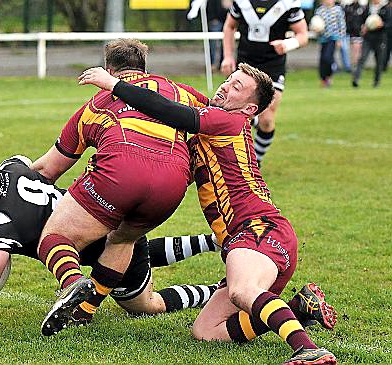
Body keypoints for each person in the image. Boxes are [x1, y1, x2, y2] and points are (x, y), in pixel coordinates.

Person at [78, 63, 337, 365]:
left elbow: (169, 109)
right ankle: (299, 307)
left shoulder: (229, 121)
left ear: (250, 108)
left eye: (237, 87)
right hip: (253, 239)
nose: (226, 86)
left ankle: (307, 349)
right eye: (228, 80)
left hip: (258, 230)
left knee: (242, 291)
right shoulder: (212, 128)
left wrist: (114, 84)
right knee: (206, 331)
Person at [30, 38, 209, 336]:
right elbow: (217, 118)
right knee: (123, 239)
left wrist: (13, 177)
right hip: (172, 183)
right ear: (144, 67)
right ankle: (85, 311)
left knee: (55, 237)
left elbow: (49, 168)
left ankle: (73, 283)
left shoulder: (95, 104)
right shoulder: (179, 91)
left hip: (120, 175)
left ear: (109, 70)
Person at [0, 155, 221, 318]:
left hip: (113, 251)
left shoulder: (4, 223)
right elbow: (27, 162)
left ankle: (214, 291)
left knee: (144, 305)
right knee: (140, 249)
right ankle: (212, 241)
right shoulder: (11, 169)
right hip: (108, 222)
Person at [220, 0, 308, 166]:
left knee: (266, 119)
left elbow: (303, 35)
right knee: (234, 109)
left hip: (272, 66)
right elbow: (230, 26)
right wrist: (228, 56)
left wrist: (288, 43)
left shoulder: (288, 4)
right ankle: (243, 161)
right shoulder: (242, 2)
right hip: (246, 65)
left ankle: (255, 163)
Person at [352, 0, 389, 88]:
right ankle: (356, 79)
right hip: (368, 38)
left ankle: (377, 81)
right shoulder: (366, 8)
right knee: (362, 58)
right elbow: (359, 20)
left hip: (380, 38)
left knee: (379, 61)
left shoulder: (386, 9)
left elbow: (389, 23)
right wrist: (362, 27)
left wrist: (382, 24)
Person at [314, 0, 347, 87]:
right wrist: (316, 30)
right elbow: (315, 23)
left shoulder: (338, 10)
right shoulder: (319, 11)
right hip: (323, 38)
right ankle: (323, 79)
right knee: (322, 60)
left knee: (328, 58)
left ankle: (329, 76)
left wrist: (340, 39)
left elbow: (342, 25)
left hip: (333, 38)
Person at [344, 0, 367, 71]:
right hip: (349, 33)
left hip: (358, 33)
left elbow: (364, 19)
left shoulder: (362, 8)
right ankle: (354, 65)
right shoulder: (348, 7)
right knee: (352, 51)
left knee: (357, 50)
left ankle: (356, 66)